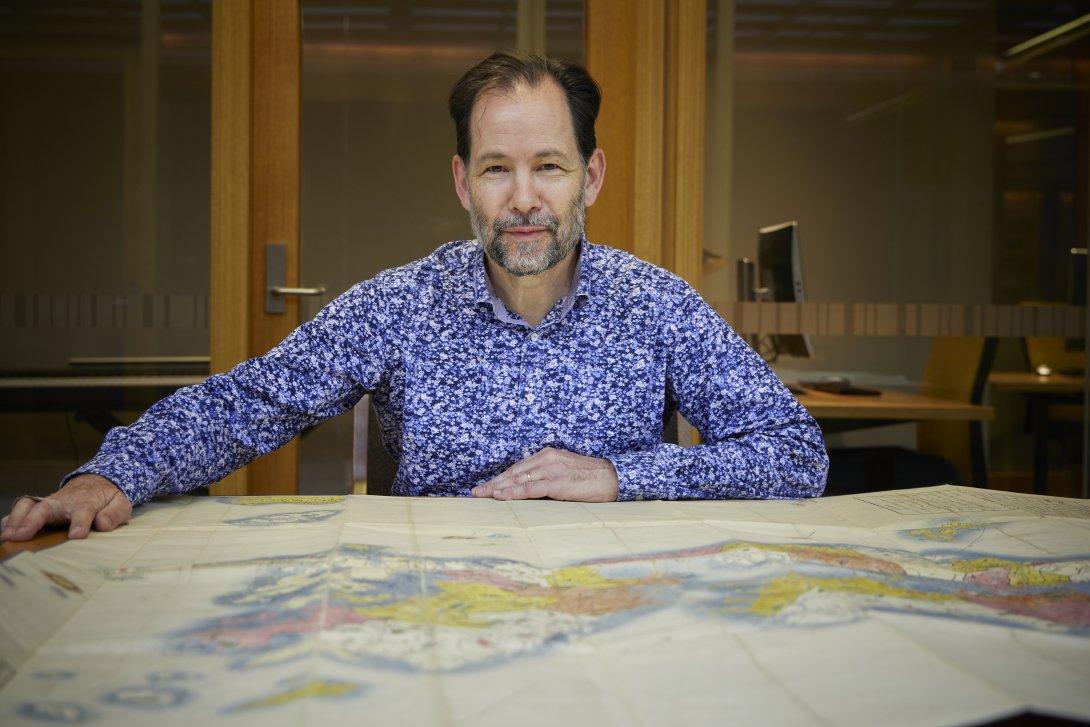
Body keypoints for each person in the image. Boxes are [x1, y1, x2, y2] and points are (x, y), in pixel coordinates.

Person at [0, 53, 828, 544]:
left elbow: (797, 454)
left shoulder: (658, 304)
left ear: (592, 176)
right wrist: (110, 473)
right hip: (432, 614)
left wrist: (621, 475)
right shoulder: (399, 303)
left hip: (613, 603)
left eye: (550, 165)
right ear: (464, 181)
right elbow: (249, 401)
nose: (526, 198)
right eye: (498, 169)